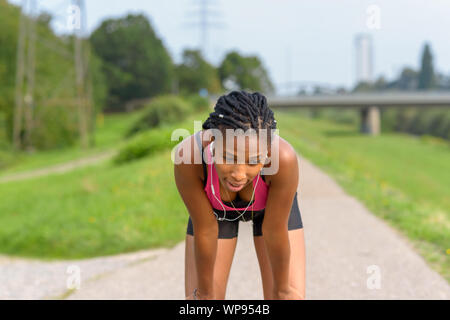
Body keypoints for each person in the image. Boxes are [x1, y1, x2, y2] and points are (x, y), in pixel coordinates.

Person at [174, 91, 305, 300]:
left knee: (287, 297)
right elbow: (206, 229)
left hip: (270, 213)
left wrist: (282, 290)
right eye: (227, 157)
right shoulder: (189, 157)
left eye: (252, 162)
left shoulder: (283, 159)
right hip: (214, 212)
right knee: (201, 302)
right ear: (213, 141)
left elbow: (274, 231)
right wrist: (205, 294)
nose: (238, 175)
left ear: (267, 153)